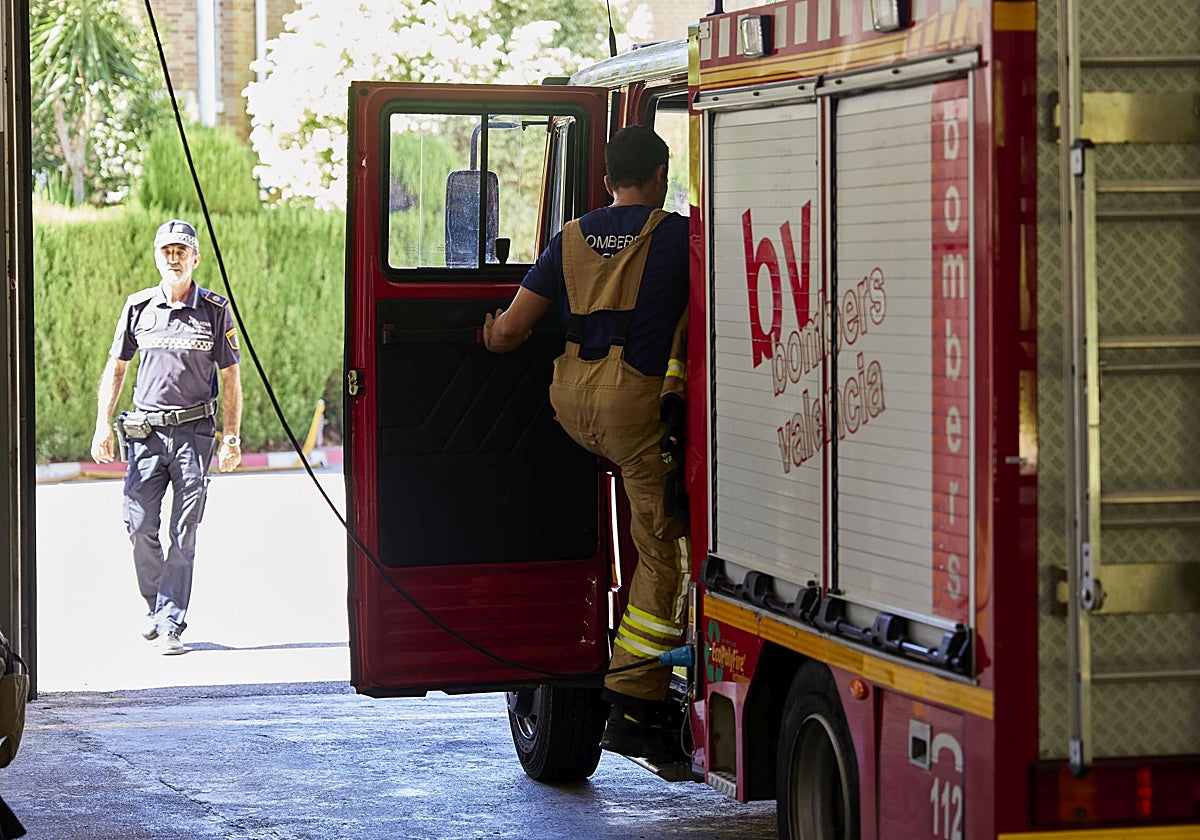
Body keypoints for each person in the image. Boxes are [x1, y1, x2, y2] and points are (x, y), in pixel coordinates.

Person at [483, 125, 689, 761]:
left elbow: (512, 331)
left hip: (572, 405)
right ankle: (634, 695)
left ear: (605, 182)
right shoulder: (678, 236)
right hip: (634, 409)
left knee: (617, 510)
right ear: (660, 174)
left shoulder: (570, 236)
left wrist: (486, 333)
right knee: (662, 556)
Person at [90, 219, 243, 655]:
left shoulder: (214, 309)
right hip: (146, 435)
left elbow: (230, 378)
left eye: (182, 251)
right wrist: (103, 424)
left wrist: (230, 436)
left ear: (196, 258)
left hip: (195, 435)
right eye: (167, 251)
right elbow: (117, 369)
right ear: (157, 257)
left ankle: (171, 622)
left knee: (184, 529)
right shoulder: (138, 307)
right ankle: (156, 603)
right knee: (138, 523)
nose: (174, 258)